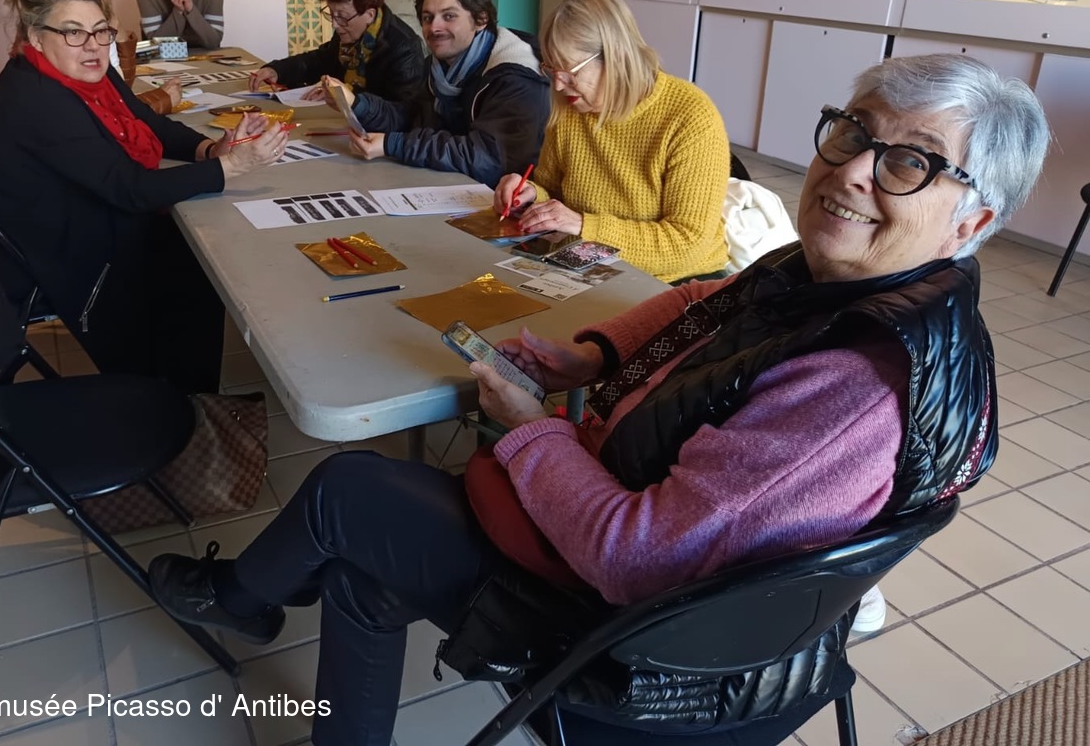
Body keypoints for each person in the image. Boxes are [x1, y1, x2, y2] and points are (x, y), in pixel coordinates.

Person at [147, 53, 1049, 745]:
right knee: (359, 566)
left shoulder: (853, 385)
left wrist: (531, 430)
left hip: (646, 649)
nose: (853, 171)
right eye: (854, 133)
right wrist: (586, 355)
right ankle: (256, 611)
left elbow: (635, 559)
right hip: (659, 576)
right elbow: (701, 299)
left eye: (910, 163)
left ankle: (240, 597)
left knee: (350, 493)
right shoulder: (835, 280)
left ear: (972, 221)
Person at [0, 0, 289, 394]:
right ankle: (180, 403)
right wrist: (231, 167)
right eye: (73, 33)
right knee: (201, 261)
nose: (93, 47)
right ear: (36, 37)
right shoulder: (38, 100)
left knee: (203, 244)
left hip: (86, 219)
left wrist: (209, 149)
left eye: (101, 31)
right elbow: (130, 189)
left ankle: (188, 392)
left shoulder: (84, 76)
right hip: (71, 256)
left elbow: (146, 120)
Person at [493, 0, 729, 283]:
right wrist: (529, 195)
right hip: (590, 263)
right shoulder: (571, 108)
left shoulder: (690, 116)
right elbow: (551, 189)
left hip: (677, 279)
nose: (559, 85)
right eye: (551, 71)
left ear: (616, 57)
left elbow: (687, 244)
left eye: (570, 73)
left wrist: (583, 226)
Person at [337, 0, 549, 188]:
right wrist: (357, 104)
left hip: (501, 198)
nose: (434, 27)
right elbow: (412, 117)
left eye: (449, 16)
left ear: (481, 19)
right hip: (451, 188)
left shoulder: (517, 78)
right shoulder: (439, 65)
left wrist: (394, 144)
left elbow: (487, 159)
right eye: (427, 18)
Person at [249, 0, 423, 103]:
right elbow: (320, 60)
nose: (335, 24)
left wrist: (346, 97)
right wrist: (277, 70)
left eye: (342, 17)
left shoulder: (404, 48)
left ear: (370, 14)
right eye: (332, 15)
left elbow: (400, 114)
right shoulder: (349, 33)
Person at [49, 0, 183, 114]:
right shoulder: (61, 31)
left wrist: (118, 32)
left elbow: (120, 90)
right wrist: (161, 99)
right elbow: (100, 113)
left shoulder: (104, 20)